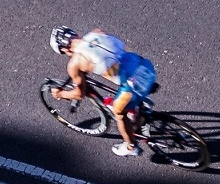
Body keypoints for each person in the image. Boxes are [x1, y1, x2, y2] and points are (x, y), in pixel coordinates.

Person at [49, 25, 158, 157]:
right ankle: (140, 107)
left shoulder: (75, 63)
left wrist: (60, 94)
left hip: (135, 84)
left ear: (65, 49)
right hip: (146, 66)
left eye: (64, 53)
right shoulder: (96, 33)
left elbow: (79, 94)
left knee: (119, 113)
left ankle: (130, 146)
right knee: (124, 77)